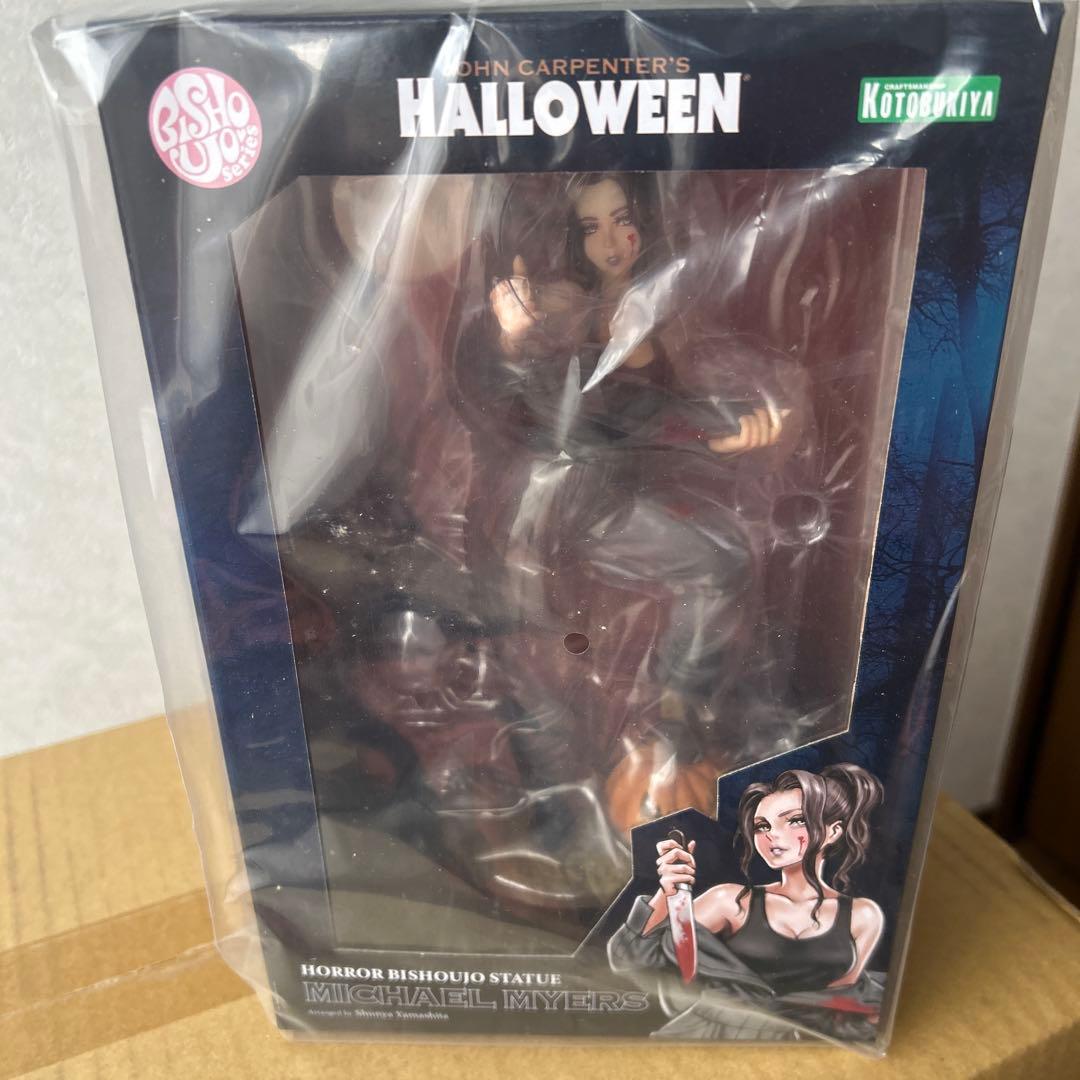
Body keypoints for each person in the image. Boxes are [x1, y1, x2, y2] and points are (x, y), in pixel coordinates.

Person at [608, 763, 886, 1042]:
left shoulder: (863, 915)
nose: (772, 835)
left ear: (833, 832)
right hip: (716, 1038)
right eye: (762, 826)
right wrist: (669, 891)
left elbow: (846, 998)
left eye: (795, 820)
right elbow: (630, 957)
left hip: (804, 1048)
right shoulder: (730, 901)